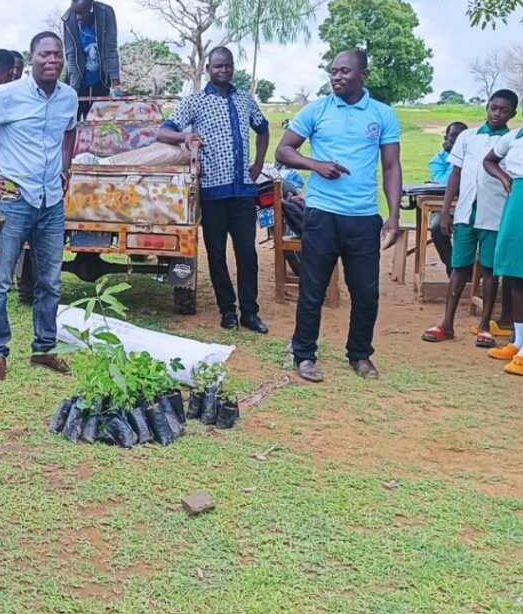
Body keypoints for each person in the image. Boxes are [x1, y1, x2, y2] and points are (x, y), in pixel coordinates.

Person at [0, 31, 79, 381]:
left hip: (51, 201)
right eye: (45, 54)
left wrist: (66, 166)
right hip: (14, 200)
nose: (52, 60)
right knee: (0, 280)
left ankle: (44, 350)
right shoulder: (8, 95)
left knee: (50, 281)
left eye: (57, 54)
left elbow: (71, 130)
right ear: (31, 57)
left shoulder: (68, 97)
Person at [275, 49, 403, 383]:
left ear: (363, 75)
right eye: (334, 71)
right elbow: (283, 150)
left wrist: (392, 215)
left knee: (366, 292)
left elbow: (391, 166)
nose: (337, 77)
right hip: (322, 214)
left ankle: (360, 355)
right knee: (312, 289)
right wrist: (315, 164)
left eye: (345, 71)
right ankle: (304, 355)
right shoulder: (316, 110)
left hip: (363, 216)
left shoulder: (382, 114)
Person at [156, 46, 270, 332]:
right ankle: (227, 311)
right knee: (216, 254)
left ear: (233, 67)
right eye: (218, 66)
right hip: (212, 192)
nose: (224, 70)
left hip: (243, 192)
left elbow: (263, 128)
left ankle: (250, 312)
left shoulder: (245, 99)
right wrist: (185, 137)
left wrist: (258, 163)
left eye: (228, 65)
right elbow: (163, 132)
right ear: (208, 69)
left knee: (247, 253)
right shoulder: (195, 101)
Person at [421, 92, 517, 346]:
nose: (497, 114)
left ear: (512, 114)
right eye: (494, 108)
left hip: (494, 214)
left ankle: (484, 326)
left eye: (504, 110)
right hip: (465, 213)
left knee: (490, 270)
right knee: (459, 267)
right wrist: (445, 212)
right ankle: (446, 324)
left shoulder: (512, 141)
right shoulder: (468, 137)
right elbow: (456, 174)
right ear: (487, 107)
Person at [483, 83, 523, 407]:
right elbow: (489, 161)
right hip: (517, 206)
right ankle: (518, 340)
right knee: (516, 274)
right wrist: (504, 178)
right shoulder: (514, 137)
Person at [61, 0, 120, 119]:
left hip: (101, 78)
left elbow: (110, 49)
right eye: (76, 13)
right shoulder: (68, 19)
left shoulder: (106, 14)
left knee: (100, 120)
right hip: (78, 78)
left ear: (91, 8)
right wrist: (73, 91)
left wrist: (117, 85)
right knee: (72, 119)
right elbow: (71, 56)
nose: (78, 17)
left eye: (82, 13)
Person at [428, 121, 468, 271]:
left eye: (462, 137)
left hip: (468, 205)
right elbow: (446, 183)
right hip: (442, 206)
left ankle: (472, 270)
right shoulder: (437, 160)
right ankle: (453, 269)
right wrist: (455, 158)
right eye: (454, 136)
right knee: (437, 226)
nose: (458, 140)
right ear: (446, 138)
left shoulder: (474, 157)